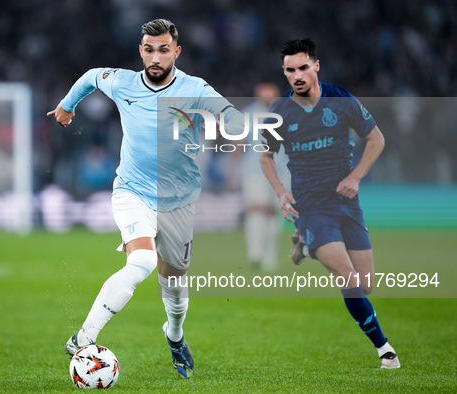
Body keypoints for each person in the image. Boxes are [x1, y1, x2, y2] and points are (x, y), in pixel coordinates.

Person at [48, 19, 242, 378]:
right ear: (141, 50)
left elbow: (228, 112)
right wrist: (66, 105)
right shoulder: (123, 82)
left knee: (175, 287)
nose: (155, 57)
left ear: (176, 52)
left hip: (179, 201)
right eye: (149, 49)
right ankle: (84, 336)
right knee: (142, 262)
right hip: (131, 191)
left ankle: (174, 334)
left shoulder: (194, 88)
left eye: (163, 50)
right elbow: (92, 76)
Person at [259, 38, 400, 369]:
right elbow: (265, 157)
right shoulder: (279, 112)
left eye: (303, 67)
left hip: (347, 203)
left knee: (366, 285)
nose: (297, 75)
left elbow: (376, 139)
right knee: (345, 275)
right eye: (290, 70)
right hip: (309, 206)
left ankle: (306, 246)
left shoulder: (341, 100)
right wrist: (281, 191)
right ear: (284, 72)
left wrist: (356, 176)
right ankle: (385, 350)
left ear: (316, 66)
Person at [239, 82, 290, 271]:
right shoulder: (248, 113)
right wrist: (232, 169)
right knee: (256, 209)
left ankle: (270, 256)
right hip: (254, 169)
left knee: (274, 212)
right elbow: (238, 143)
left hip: (282, 169)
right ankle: (255, 252)